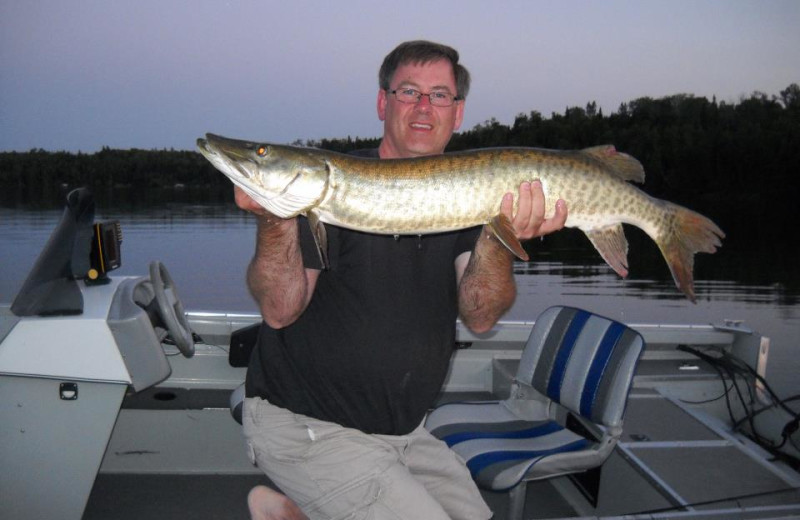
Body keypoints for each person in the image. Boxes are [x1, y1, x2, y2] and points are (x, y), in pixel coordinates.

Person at [236, 40, 567, 520]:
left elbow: (479, 315)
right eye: (409, 91)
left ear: (457, 114)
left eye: (439, 95)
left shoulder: (471, 198)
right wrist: (275, 218)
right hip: (305, 425)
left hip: (402, 432)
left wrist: (500, 234)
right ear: (382, 102)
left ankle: (291, 513)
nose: (422, 106)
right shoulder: (328, 189)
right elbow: (279, 309)